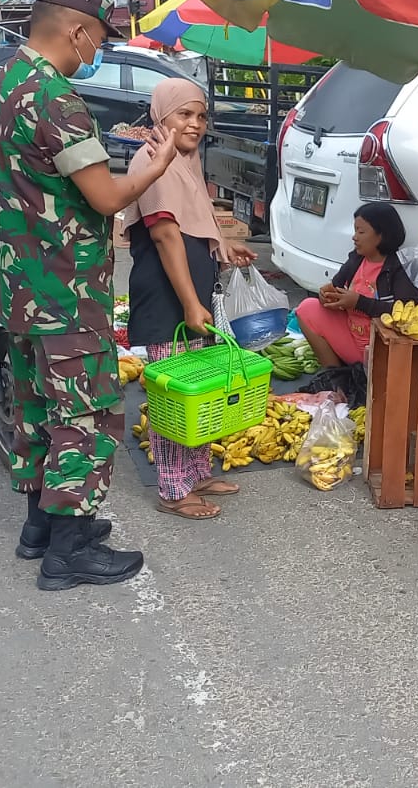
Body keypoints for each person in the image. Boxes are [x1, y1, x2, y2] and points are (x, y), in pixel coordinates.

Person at [0, 0, 183, 591]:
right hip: (63, 291)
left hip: (16, 287)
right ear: (76, 30)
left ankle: (38, 528)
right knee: (85, 413)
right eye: (95, 41)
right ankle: (69, 552)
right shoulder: (56, 98)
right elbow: (106, 194)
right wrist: (158, 162)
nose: (95, 52)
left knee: (38, 407)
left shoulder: (3, 81)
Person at [116, 77, 258, 521]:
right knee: (175, 395)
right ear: (162, 116)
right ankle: (173, 490)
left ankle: (195, 472)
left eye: (200, 115)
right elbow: (164, 234)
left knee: (198, 391)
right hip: (166, 298)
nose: (195, 124)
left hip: (189, 293)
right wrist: (191, 303)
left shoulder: (185, 161)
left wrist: (222, 247)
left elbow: (193, 224)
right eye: (184, 114)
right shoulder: (154, 159)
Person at [295, 203, 418, 369]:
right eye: (355, 230)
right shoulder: (357, 259)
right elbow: (336, 286)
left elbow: (407, 312)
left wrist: (359, 303)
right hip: (351, 334)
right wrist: (326, 294)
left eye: (361, 232)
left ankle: (363, 375)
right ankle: (337, 377)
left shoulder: (400, 268)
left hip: (381, 346)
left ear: (381, 236)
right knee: (307, 308)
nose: (354, 237)